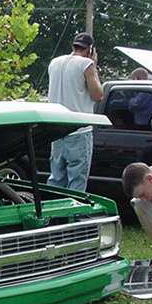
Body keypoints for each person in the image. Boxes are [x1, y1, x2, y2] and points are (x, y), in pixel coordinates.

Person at [47, 32, 103, 191]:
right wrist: (94, 67)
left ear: (74, 46)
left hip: (55, 129)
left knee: (56, 178)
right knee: (76, 181)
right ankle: (73, 207)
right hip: (78, 130)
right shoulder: (86, 64)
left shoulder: (54, 62)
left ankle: (52, 206)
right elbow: (98, 95)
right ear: (90, 49)